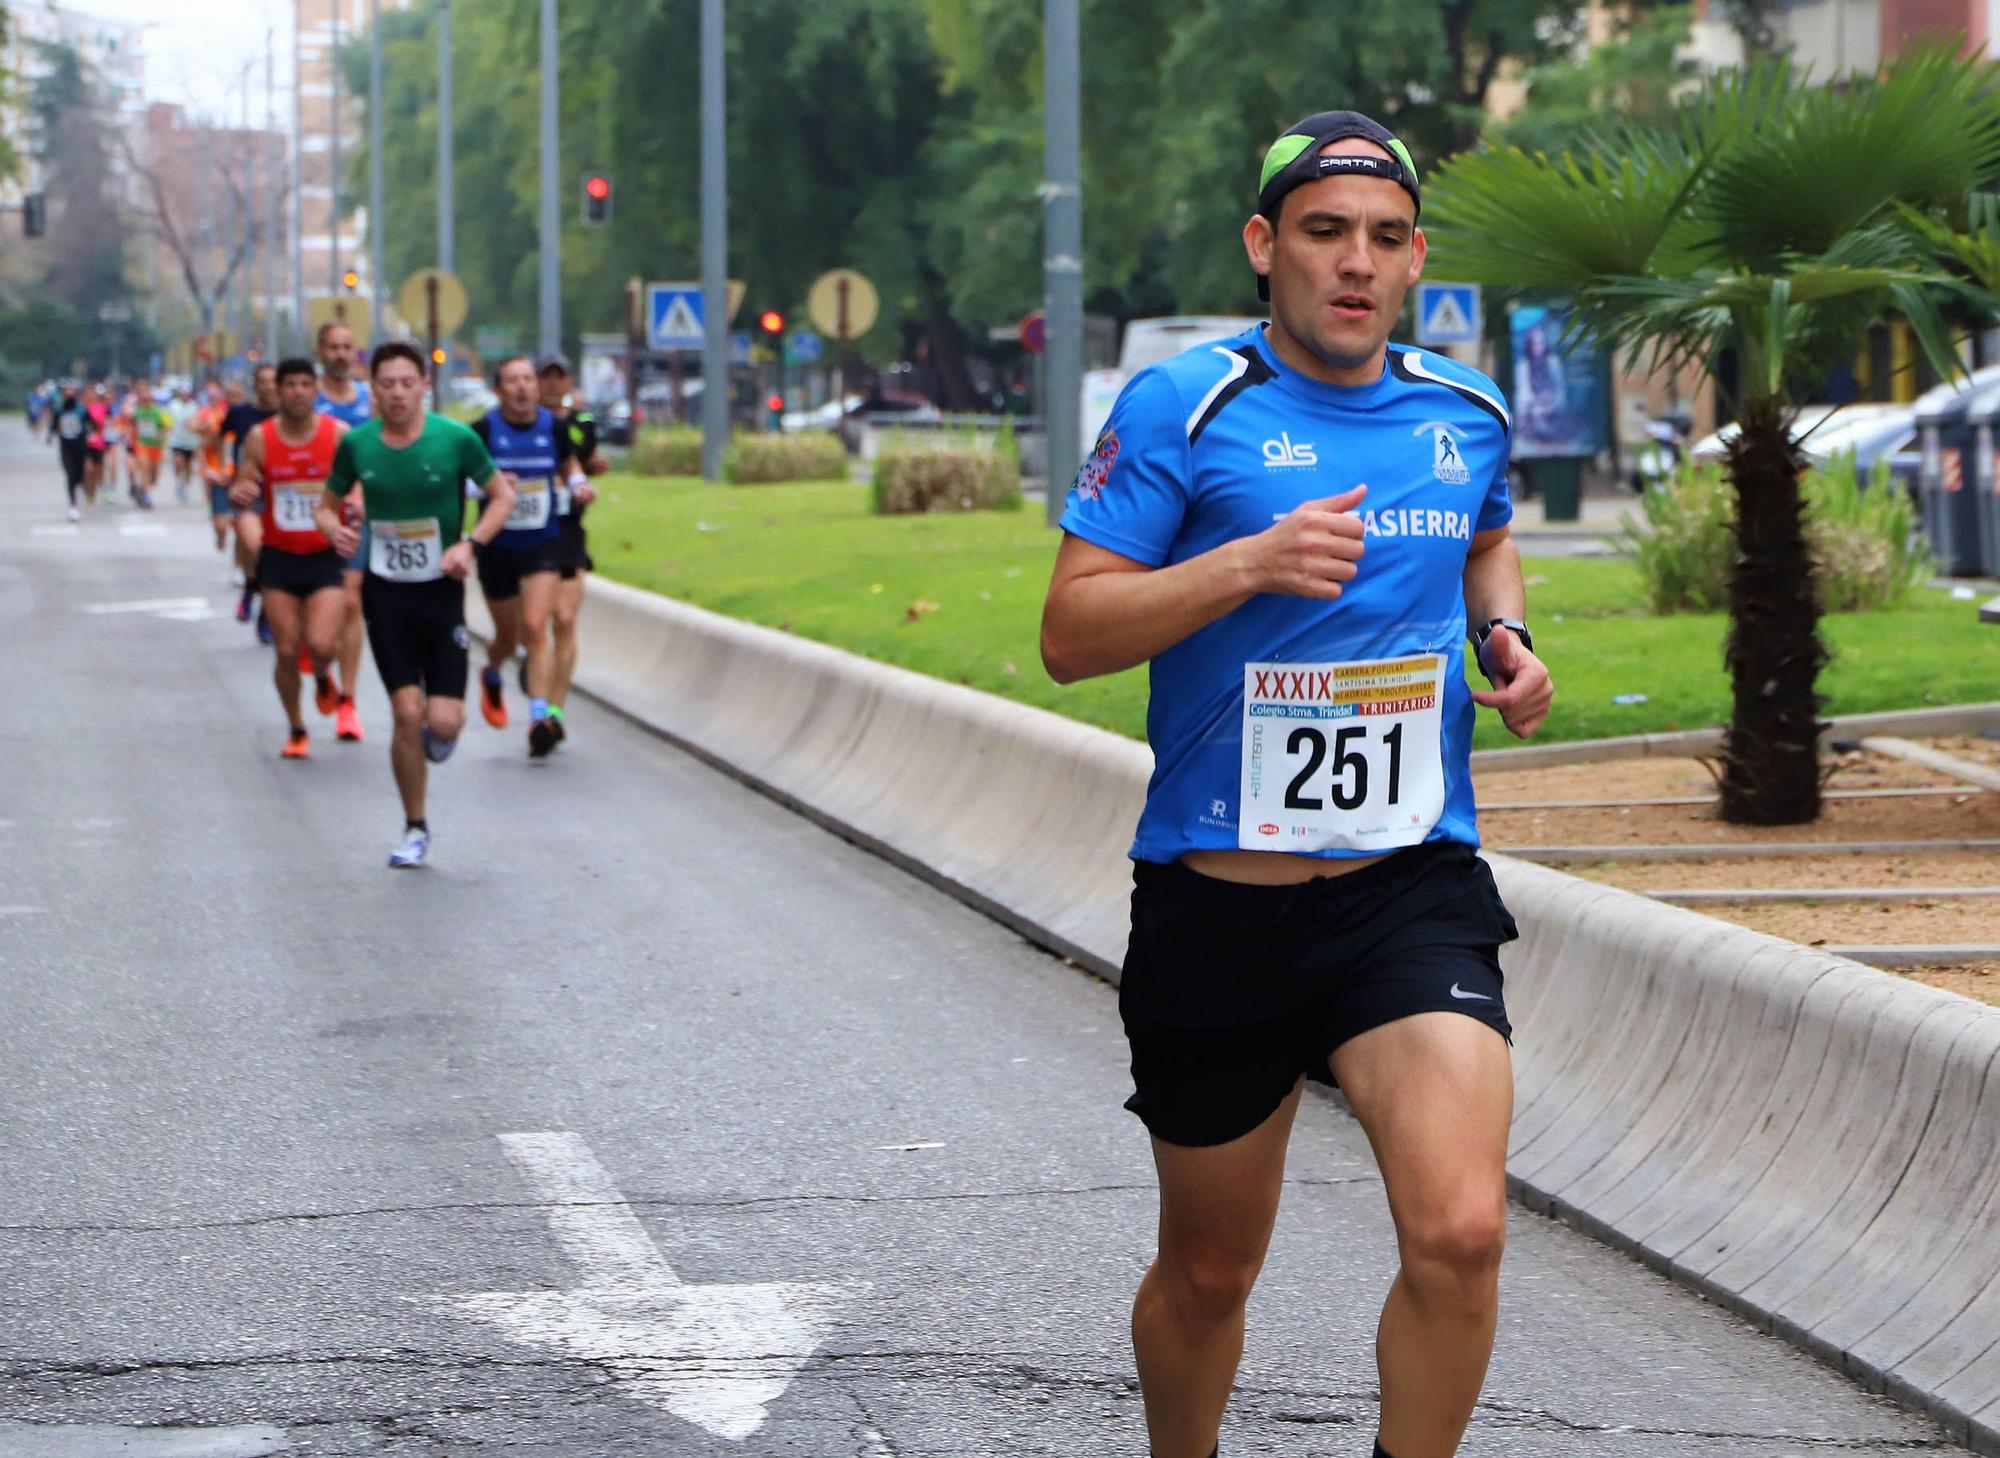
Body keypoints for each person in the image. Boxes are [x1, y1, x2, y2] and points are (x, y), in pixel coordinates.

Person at [1039, 111, 1555, 1458]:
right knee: (1210, 1273)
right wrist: (1246, 566)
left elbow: (1485, 540)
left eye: (1385, 240)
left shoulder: (1465, 413)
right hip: (1221, 903)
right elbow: (1070, 633)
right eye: (1326, 232)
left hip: (1409, 888)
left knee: (1461, 1229)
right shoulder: (1184, 405)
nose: (1356, 264)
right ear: (1267, 246)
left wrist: (1504, 634)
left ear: (1416, 260)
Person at [316, 340, 516, 868]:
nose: (398, 393)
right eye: (388, 384)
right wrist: (336, 531)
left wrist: (469, 544)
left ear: (424, 385)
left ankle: (438, 728)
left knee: (443, 722)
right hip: (386, 593)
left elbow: (503, 497)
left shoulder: (455, 439)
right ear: (373, 388)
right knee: (406, 713)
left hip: (441, 590)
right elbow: (325, 507)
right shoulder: (357, 445)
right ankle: (415, 827)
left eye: (408, 383)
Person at [230, 358, 349, 758]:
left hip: (324, 555)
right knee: (284, 649)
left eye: (304, 384)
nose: (298, 391)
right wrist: (240, 495)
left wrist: (358, 504)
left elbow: (358, 483)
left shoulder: (337, 435)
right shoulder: (260, 438)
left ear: (315, 390)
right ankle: (297, 727)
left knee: (322, 643)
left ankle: (320, 673)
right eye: (290, 384)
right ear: (278, 392)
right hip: (280, 556)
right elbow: (244, 489)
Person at [468, 355, 581, 758]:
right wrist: (490, 486)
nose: (521, 387)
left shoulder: (555, 427)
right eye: (512, 381)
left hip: (542, 541)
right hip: (497, 546)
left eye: (527, 380)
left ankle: (538, 717)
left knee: (536, 626)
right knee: (508, 637)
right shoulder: (482, 431)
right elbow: (462, 481)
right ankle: (493, 669)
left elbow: (568, 466)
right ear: (498, 390)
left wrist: (580, 483)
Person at [534, 354, 609, 745]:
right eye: (543, 377)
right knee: (532, 625)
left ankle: (553, 712)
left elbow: (583, 458)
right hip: (527, 534)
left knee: (564, 619)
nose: (550, 385)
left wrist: (588, 472)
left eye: (558, 378)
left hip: (567, 532)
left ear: (569, 382)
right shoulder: (519, 423)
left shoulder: (580, 424)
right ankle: (535, 672)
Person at [316, 320, 374, 744]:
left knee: (352, 601)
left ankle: (349, 701)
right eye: (333, 347)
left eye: (347, 347)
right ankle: (321, 664)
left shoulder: (369, 400)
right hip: (310, 515)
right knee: (316, 621)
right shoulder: (307, 398)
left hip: (356, 512)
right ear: (321, 353)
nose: (341, 354)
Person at [220, 365, 280, 636]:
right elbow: (218, 439)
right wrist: (222, 468)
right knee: (253, 547)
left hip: (280, 493)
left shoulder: (288, 416)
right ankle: (249, 586)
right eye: (263, 382)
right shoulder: (240, 413)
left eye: (273, 382)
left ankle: (267, 613)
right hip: (248, 493)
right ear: (254, 386)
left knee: (274, 555)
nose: (269, 387)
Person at [50, 382, 89, 520]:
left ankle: (80, 490)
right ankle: (73, 506)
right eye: (66, 391)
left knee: (79, 475)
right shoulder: (59, 411)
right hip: (66, 448)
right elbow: (53, 427)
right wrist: (51, 436)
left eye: (71, 390)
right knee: (70, 475)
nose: (69, 393)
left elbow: (90, 425)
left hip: (81, 447)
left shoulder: (81, 410)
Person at [128, 379, 169, 510]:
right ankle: (146, 497)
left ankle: (141, 488)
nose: (146, 402)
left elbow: (167, 427)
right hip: (142, 445)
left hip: (156, 447)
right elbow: (131, 426)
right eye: (143, 400)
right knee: (145, 470)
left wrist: (160, 435)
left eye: (148, 399)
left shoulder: (158, 412)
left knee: (154, 477)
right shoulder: (136, 411)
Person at [166, 385, 202, 503]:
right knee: (178, 462)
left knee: (188, 467)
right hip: (177, 440)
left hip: (191, 441)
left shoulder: (194, 406)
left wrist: (194, 426)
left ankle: (184, 487)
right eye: (183, 393)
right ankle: (178, 482)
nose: (185, 395)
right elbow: (168, 420)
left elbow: (198, 421)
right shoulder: (173, 405)